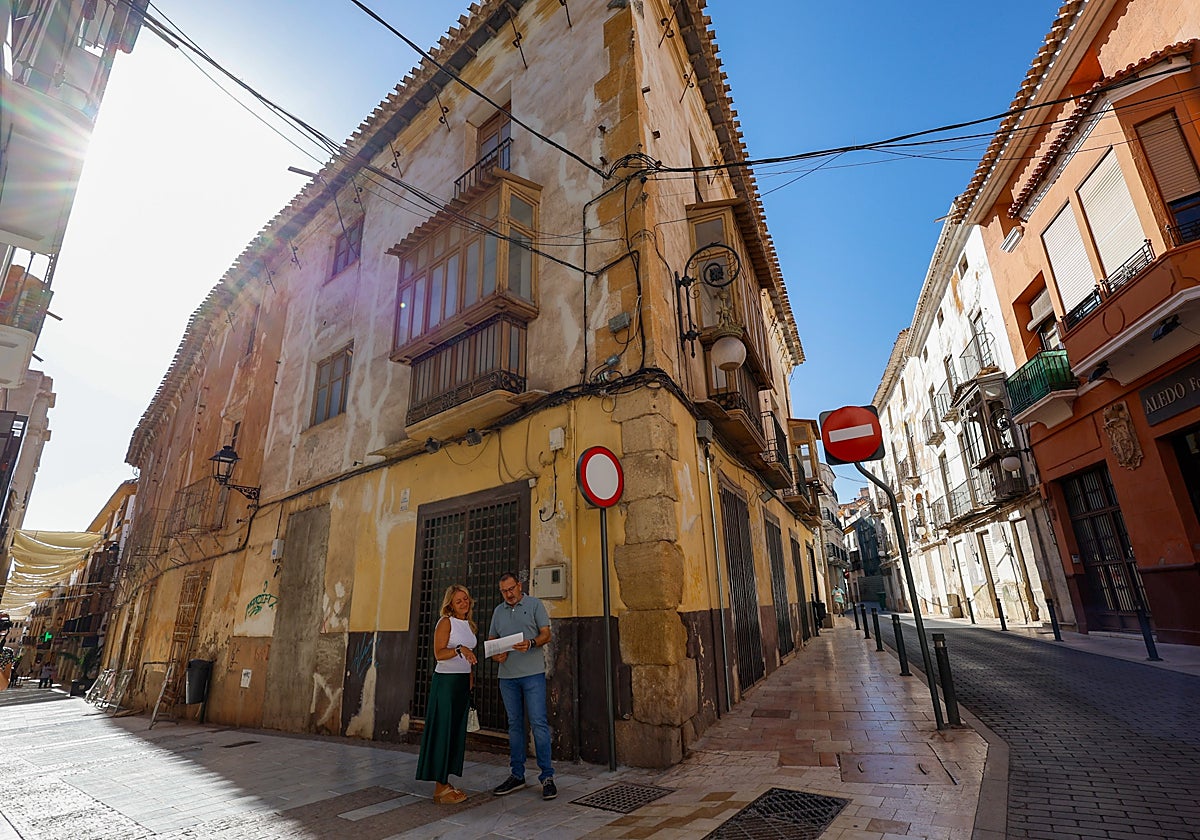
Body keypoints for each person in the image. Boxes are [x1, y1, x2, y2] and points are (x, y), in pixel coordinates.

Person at [489, 572, 555, 800]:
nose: (508, 594)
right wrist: (496, 655)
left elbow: (546, 634)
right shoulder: (498, 611)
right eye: (504, 591)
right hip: (507, 677)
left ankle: (547, 777)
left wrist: (531, 643)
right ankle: (517, 775)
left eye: (511, 589)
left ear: (519, 585)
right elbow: (492, 640)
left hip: (532, 675)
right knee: (514, 725)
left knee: (539, 723)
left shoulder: (535, 605)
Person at [415, 584, 478, 805]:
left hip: (461, 683)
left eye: (466, 598)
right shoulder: (445, 622)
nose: (464, 603)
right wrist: (460, 649)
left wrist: (469, 677)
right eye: (458, 600)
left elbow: (469, 656)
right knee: (443, 732)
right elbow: (439, 653)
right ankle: (439, 789)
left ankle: (445, 782)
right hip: (446, 684)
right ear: (450, 604)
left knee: (454, 734)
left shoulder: (469, 624)